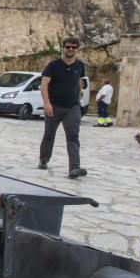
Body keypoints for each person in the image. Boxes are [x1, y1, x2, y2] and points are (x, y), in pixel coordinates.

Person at [38, 37, 87, 178]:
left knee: (73, 136)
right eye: (67, 47)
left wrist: (79, 97)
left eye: (73, 47)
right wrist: (47, 103)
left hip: (72, 107)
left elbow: (79, 82)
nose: (70, 49)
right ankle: (44, 159)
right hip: (54, 106)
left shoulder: (80, 66)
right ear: (63, 48)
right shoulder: (53, 65)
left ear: (77, 49)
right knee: (49, 134)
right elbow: (44, 84)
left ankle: (74, 168)